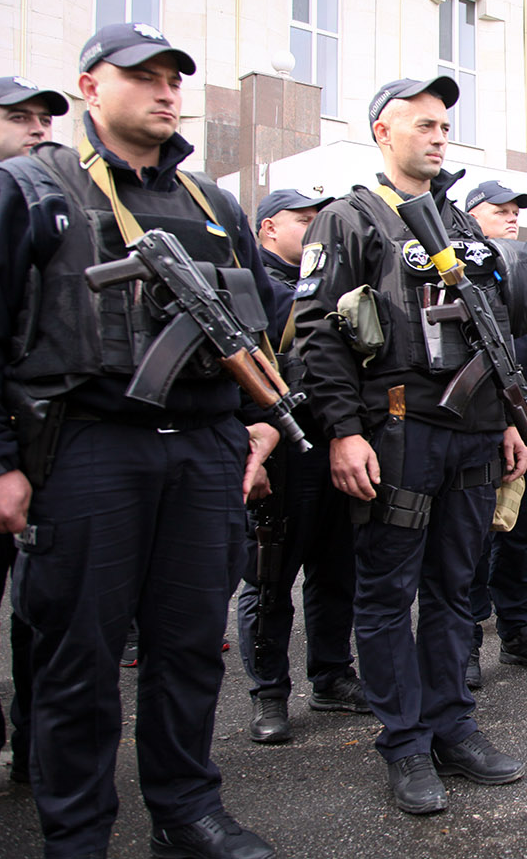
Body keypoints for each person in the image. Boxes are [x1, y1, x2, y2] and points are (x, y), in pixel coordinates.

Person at [0, 23, 281, 858]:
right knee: (79, 655)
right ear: (89, 87)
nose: (165, 90)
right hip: (88, 444)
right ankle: (77, 832)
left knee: (189, 646)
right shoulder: (29, 188)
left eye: (174, 77)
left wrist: (259, 420)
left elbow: (257, 325)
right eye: (142, 75)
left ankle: (187, 809)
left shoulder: (213, 204)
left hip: (203, 447)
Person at [293, 76, 527, 814]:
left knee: (456, 587)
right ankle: (405, 742)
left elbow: (493, 329)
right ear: (382, 132)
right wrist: (343, 431)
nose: (437, 136)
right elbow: (317, 334)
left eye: (444, 126)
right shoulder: (348, 220)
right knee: (389, 592)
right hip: (398, 431)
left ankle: (453, 726)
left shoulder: (458, 221)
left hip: (473, 433)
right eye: (422, 124)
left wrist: (511, 419)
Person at [0, 75, 69, 816]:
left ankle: (39, 746)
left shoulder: (56, 200)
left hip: (51, 440)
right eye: (19, 117)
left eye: (44, 118)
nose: (37, 128)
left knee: (46, 609)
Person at [236, 189, 370, 747]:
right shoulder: (251, 286)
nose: (315, 230)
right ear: (269, 228)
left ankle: (332, 675)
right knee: (269, 577)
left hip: (334, 440)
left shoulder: (331, 283)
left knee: (336, 570)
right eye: (302, 221)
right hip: (281, 450)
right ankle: (269, 691)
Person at [462, 180, 527, 689]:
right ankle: (464, 644)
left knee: (518, 536)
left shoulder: (518, 275)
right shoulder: (458, 277)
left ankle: (517, 632)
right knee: (471, 542)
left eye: (514, 211)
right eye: (499, 210)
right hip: (478, 424)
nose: (511, 217)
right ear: (470, 218)